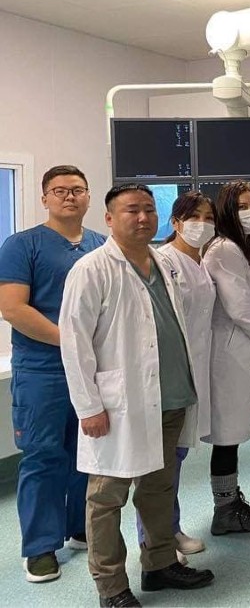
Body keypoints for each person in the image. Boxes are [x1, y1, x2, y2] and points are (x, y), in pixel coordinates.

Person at [60, 184, 214, 607]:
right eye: (132, 210)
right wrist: (89, 407)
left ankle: (160, 564)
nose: (143, 217)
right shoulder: (91, 269)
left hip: (170, 397)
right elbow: (74, 344)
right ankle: (111, 587)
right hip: (118, 405)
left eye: (149, 209)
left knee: (158, 489)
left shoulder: (162, 263)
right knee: (107, 497)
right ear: (109, 218)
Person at [0, 165, 105, 583]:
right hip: (43, 370)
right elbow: (13, 308)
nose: (69, 196)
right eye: (59, 190)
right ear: (44, 198)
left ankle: (80, 527)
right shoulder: (22, 245)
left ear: (88, 197)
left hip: (92, 369)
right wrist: (71, 343)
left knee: (88, 451)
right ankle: (40, 547)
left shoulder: (100, 245)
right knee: (44, 455)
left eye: (77, 189)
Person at [134, 191, 216, 566]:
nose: (203, 224)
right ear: (176, 222)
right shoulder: (164, 260)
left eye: (209, 217)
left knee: (176, 456)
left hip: (192, 371)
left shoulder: (200, 261)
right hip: (168, 373)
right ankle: (155, 539)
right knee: (159, 463)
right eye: (194, 217)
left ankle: (170, 528)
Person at [202, 181, 250, 535]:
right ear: (227, 211)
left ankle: (229, 504)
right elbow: (239, 305)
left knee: (231, 432)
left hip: (238, 350)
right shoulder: (224, 249)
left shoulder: (242, 247)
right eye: (242, 206)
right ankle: (225, 509)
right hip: (229, 352)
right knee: (226, 434)